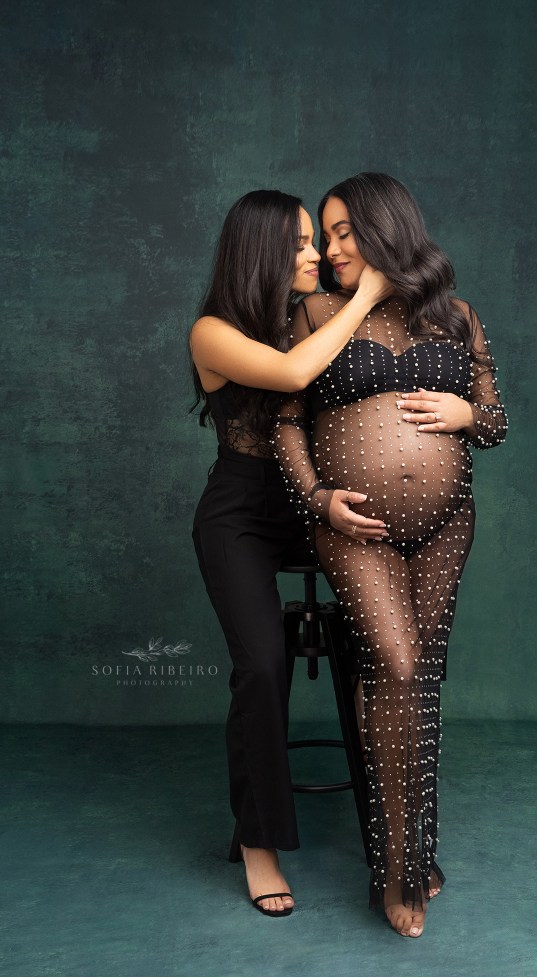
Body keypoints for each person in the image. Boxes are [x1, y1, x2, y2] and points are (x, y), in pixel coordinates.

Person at [273, 172, 507, 938]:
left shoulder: (458, 316)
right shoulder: (311, 313)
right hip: (352, 523)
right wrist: (317, 501)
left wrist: (468, 410)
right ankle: (398, 865)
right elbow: (286, 424)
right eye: (327, 234)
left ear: (386, 231)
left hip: (446, 524)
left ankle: (413, 855)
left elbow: (497, 422)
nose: (331, 248)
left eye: (344, 232)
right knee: (396, 666)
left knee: (422, 679)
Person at [189, 189, 392, 918]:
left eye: (318, 241)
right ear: (260, 252)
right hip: (241, 515)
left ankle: (397, 834)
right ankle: (258, 842)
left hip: (317, 505)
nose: (317, 254)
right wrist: (367, 292)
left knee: (383, 645)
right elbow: (295, 375)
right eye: (301, 243)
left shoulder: (312, 317)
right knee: (263, 664)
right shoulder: (212, 332)